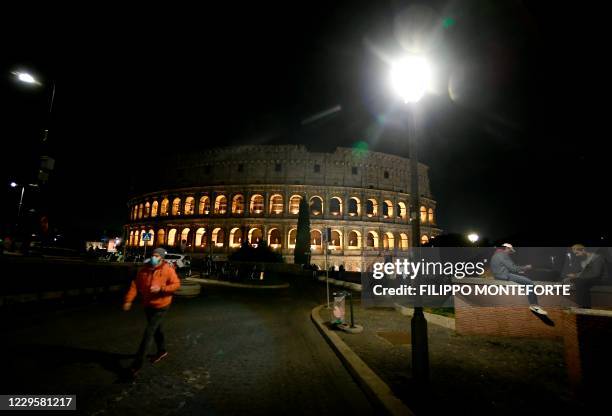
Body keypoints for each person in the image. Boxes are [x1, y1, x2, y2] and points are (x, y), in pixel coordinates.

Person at [123, 247, 181, 376]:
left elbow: (176, 284)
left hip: (162, 305)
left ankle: (136, 366)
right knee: (157, 329)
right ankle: (162, 350)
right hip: (148, 305)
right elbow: (135, 285)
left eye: (157, 256)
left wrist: (161, 289)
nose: (154, 258)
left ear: (162, 258)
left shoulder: (168, 269)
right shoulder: (143, 270)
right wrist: (128, 300)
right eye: (153, 255)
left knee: (149, 333)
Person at [490, 243, 548, 315]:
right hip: (504, 275)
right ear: (507, 248)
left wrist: (520, 270)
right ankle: (534, 306)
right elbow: (513, 268)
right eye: (510, 251)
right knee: (529, 283)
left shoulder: (496, 254)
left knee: (524, 278)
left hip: (498, 275)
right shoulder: (503, 255)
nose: (510, 253)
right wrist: (526, 267)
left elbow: (506, 267)